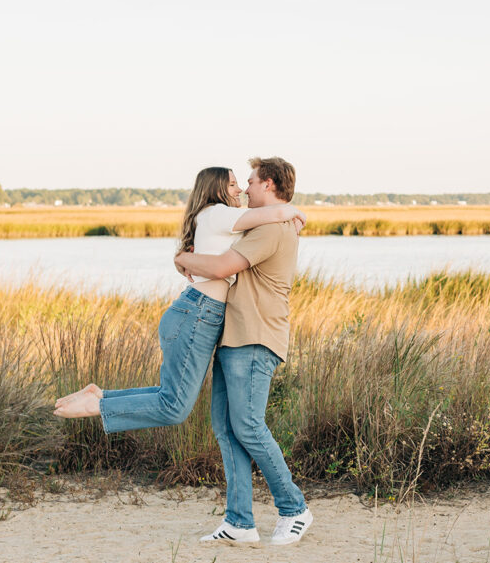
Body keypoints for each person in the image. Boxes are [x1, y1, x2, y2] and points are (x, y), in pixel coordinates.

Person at [53, 166, 306, 433]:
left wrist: (182, 258)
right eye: (233, 185)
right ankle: (98, 407)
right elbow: (276, 213)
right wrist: (297, 213)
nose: (240, 190)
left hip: (199, 313)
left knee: (171, 395)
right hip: (198, 313)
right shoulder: (218, 213)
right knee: (174, 406)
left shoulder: (219, 219)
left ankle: (101, 396)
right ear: (216, 189)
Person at [174, 156, 311, 547]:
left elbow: (220, 266)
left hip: (254, 337)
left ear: (268, 184)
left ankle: (294, 508)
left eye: (249, 181)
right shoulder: (264, 225)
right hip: (234, 337)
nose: (244, 189)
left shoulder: (273, 228)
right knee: (227, 429)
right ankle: (239, 522)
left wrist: (181, 258)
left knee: (248, 426)